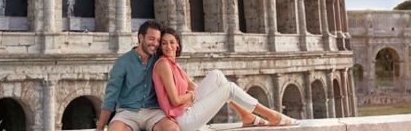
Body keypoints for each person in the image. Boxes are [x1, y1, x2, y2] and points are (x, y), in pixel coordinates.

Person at [153, 28, 298, 131]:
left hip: (187, 110)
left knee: (216, 75)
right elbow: (176, 101)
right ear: (160, 46)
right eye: (164, 43)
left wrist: (205, 96)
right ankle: (272, 115)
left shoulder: (173, 64)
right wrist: (192, 96)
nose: (168, 46)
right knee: (228, 88)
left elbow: (193, 86)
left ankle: (246, 116)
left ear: (178, 44)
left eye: (172, 42)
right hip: (183, 120)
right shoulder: (164, 64)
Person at [97, 20, 180, 131]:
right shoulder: (122, 62)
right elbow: (110, 98)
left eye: (158, 40)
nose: (155, 44)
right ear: (141, 38)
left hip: (154, 111)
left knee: (172, 129)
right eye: (151, 39)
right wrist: (100, 128)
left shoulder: (160, 61)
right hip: (127, 112)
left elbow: (179, 76)